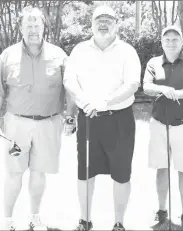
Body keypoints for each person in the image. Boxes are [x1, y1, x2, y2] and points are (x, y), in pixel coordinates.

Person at [0, 6, 76, 231]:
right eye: (27, 25)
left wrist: (70, 117)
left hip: (49, 124)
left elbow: (70, 90)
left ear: (44, 26)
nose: (32, 29)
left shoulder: (60, 56)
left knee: (39, 174)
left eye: (36, 24)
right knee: (14, 173)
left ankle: (34, 217)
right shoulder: (7, 55)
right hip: (16, 125)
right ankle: (8, 220)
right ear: (20, 28)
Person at [63, 5, 141, 231]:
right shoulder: (79, 50)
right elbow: (69, 80)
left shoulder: (127, 51)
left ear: (116, 24)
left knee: (121, 173)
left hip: (120, 120)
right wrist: (84, 100)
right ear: (92, 24)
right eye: (99, 19)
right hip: (88, 119)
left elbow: (132, 85)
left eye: (108, 19)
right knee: (86, 171)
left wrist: (105, 102)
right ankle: (85, 221)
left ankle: (118, 223)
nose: (103, 23)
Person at [143, 25, 183, 230]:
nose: (171, 42)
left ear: (182, 41)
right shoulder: (153, 62)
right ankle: (161, 211)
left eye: (175, 39)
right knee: (161, 169)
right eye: (167, 38)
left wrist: (176, 94)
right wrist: (163, 89)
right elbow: (147, 87)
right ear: (161, 41)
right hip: (159, 124)